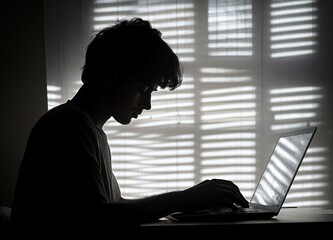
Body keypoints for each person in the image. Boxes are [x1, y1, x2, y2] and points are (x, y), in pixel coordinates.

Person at [10, 17, 248, 233]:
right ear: (112, 76)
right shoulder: (70, 124)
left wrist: (190, 200)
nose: (148, 105)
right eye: (143, 89)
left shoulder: (93, 131)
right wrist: (182, 199)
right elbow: (97, 217)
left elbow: (113, 206)